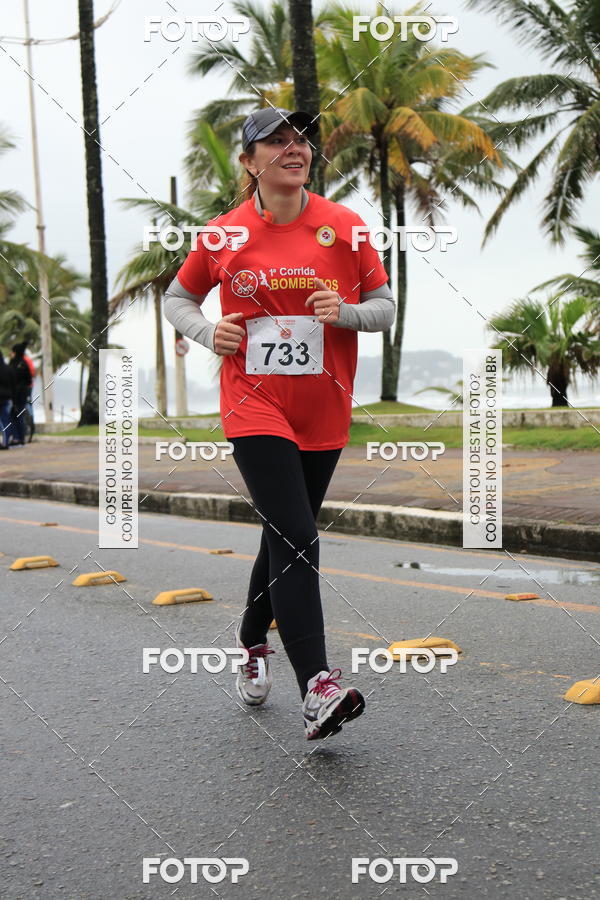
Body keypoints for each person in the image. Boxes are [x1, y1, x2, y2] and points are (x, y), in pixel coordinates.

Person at [163, 107, 395, 740]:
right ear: (249, 162)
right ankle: (317, 687)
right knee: (296, 535)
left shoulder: (344, 226)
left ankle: (249, 639)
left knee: (282, 536)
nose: (295, 149)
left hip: (324, 406)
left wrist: (344, 313)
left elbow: (385, 307)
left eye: (300, 140)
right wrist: (210, 332)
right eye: (277, 142)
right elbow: (176, 299)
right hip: (253, 405)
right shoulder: (222, 236)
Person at [8, 341, 33, 445]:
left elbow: (11, 379)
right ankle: (19, 437)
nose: (10, 354)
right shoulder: (24, 363)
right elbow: (29, 380)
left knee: (16, 415)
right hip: (22, 393)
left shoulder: (15, 364)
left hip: (17, 394)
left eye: (12, 352)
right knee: (18, 415)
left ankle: (18, 438)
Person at [0, 350, 16, 450]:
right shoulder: (9, 369)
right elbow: (14, 385)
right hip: (8, 398)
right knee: (6, 421)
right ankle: (6, 442)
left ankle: (4, 442)